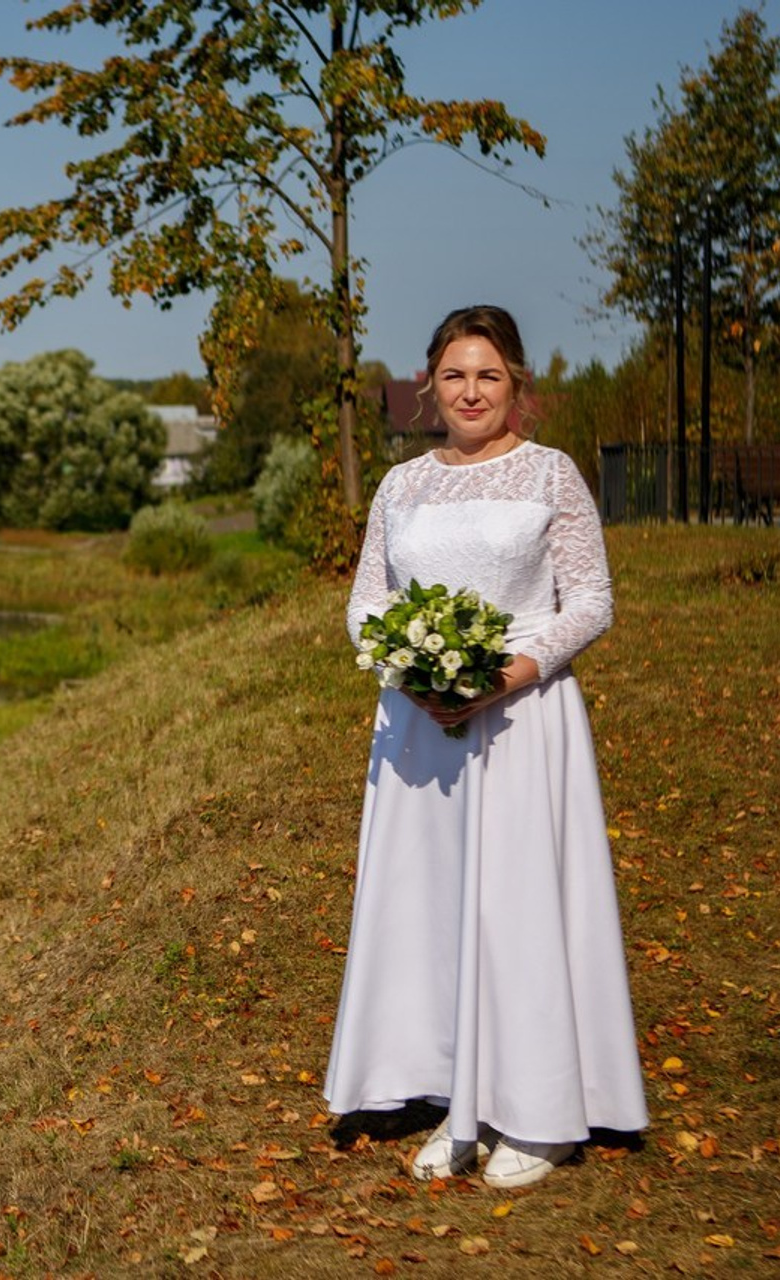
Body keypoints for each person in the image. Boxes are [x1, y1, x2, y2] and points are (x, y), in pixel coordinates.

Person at [324, 305, 648, 1189]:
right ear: (430, 384)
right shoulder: (401, 486)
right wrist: (406, 668)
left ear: (517, 387)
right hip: (419, 727)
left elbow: (590, 599)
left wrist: (512, 670)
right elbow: (364, 600)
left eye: (489, 376)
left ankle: (538, 1116)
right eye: (456, 375)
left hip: (521, 718)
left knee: (517, 904)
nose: (471, 392)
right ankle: (440, 1084)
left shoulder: (552, 476)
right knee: (428, 903)